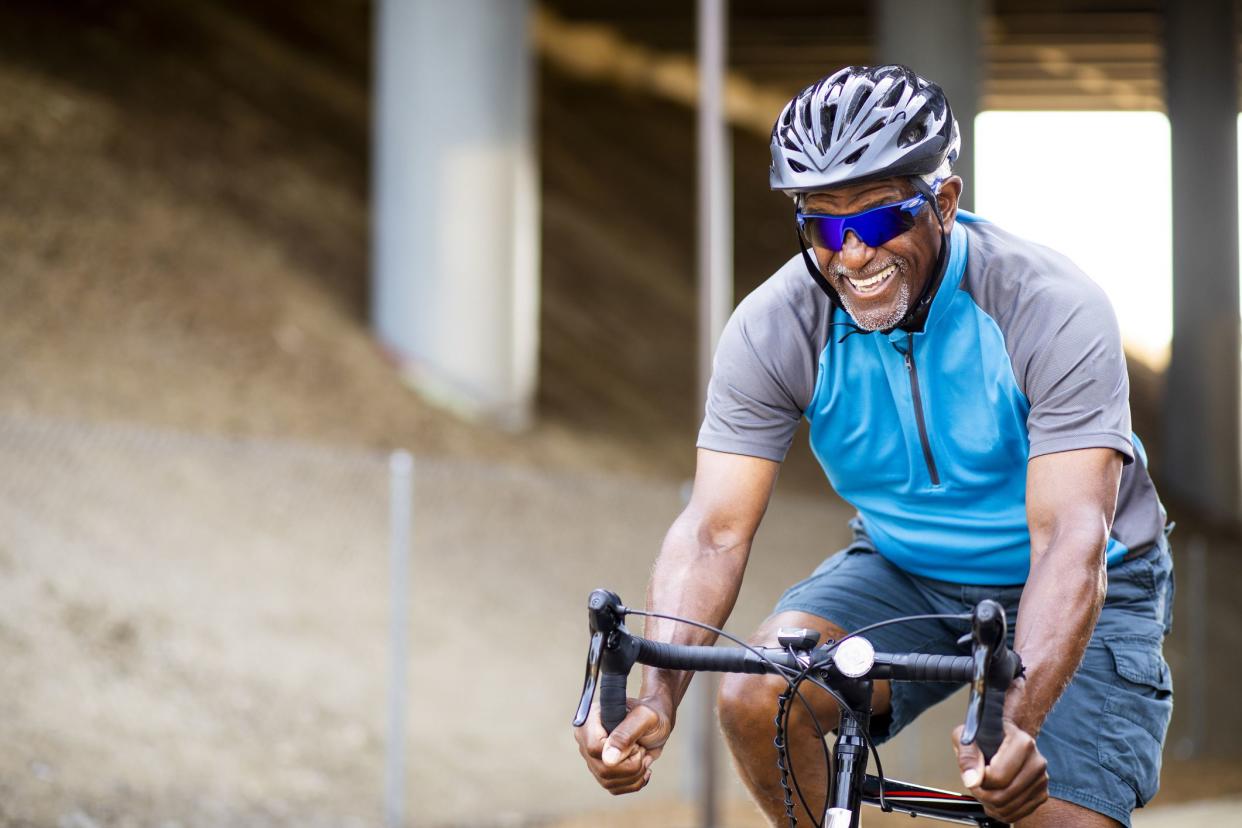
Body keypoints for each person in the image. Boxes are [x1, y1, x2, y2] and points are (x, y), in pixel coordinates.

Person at [573, 64, 1173, 827]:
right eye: (824, 226)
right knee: (761, 695)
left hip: (1085, 578)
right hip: (905, 569)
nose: (852, 254)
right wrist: (653, 695)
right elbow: (712, 530)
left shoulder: (1047, 306)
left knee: (1044, 812)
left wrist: (1014, 722)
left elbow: (1067, 536)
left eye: (881, 220)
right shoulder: (777, 326)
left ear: (945, 203)